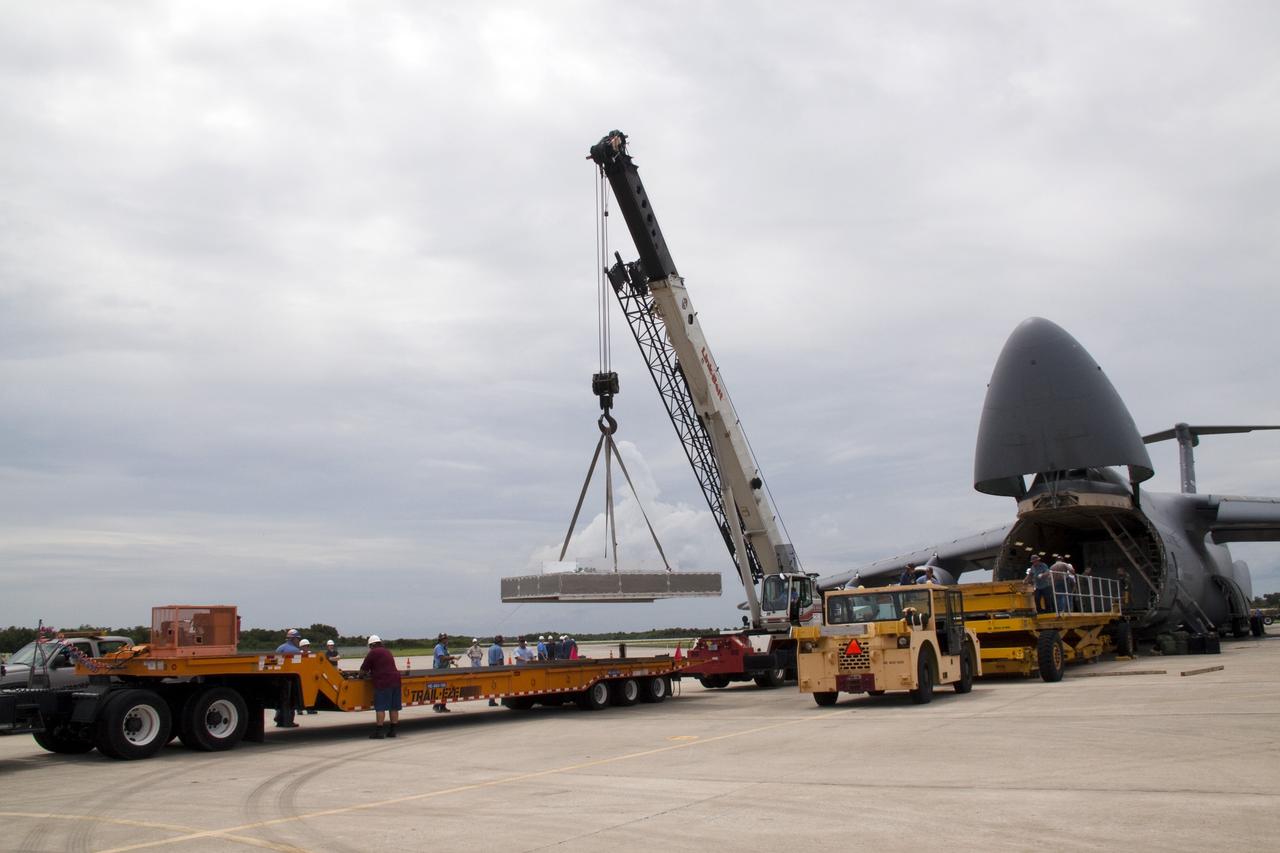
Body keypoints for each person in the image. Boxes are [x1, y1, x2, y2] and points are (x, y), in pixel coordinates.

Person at [359, 635, 401, 739]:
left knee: (380, 707)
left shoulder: (373, 653)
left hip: (383, 682)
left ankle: (379, 732)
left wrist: (361, 675)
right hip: (395, 681)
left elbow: (363, 670)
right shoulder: (387, 651)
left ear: (372, 645)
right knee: (393, 707)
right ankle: (393, 731)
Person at [274, 629, 302, 728]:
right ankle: (288, 721)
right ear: (294, 639)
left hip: (277, 677)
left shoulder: (279, 648)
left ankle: (279, 720)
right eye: (298, 639)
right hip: (290, 679)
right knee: (290, 701)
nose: (299, 641)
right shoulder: (295, 651)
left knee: (280, 700)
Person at [432, 633, 454, 712]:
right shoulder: (438, 647)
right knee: (440, 689)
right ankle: (436, 706)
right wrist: (452, 657)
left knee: (445, 690)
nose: (447, 640)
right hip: (439, 671)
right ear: (442, 640)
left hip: (445, 670)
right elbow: (442, 658)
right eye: (445, 638)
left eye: (447, 638)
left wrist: (452, 662)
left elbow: (446, 658)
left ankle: (443, 706)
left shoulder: (444, 647)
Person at [487, 636, 504, 705]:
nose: (503, 642)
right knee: (501, 684)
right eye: (502, 641)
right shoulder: (499, 648)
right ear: (499, 641)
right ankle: (503, 701)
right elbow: (499, 660)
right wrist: (502, 669)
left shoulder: (490, 648)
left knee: (492, 685)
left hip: (491, 666)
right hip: (497, 667)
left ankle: (491, 700)